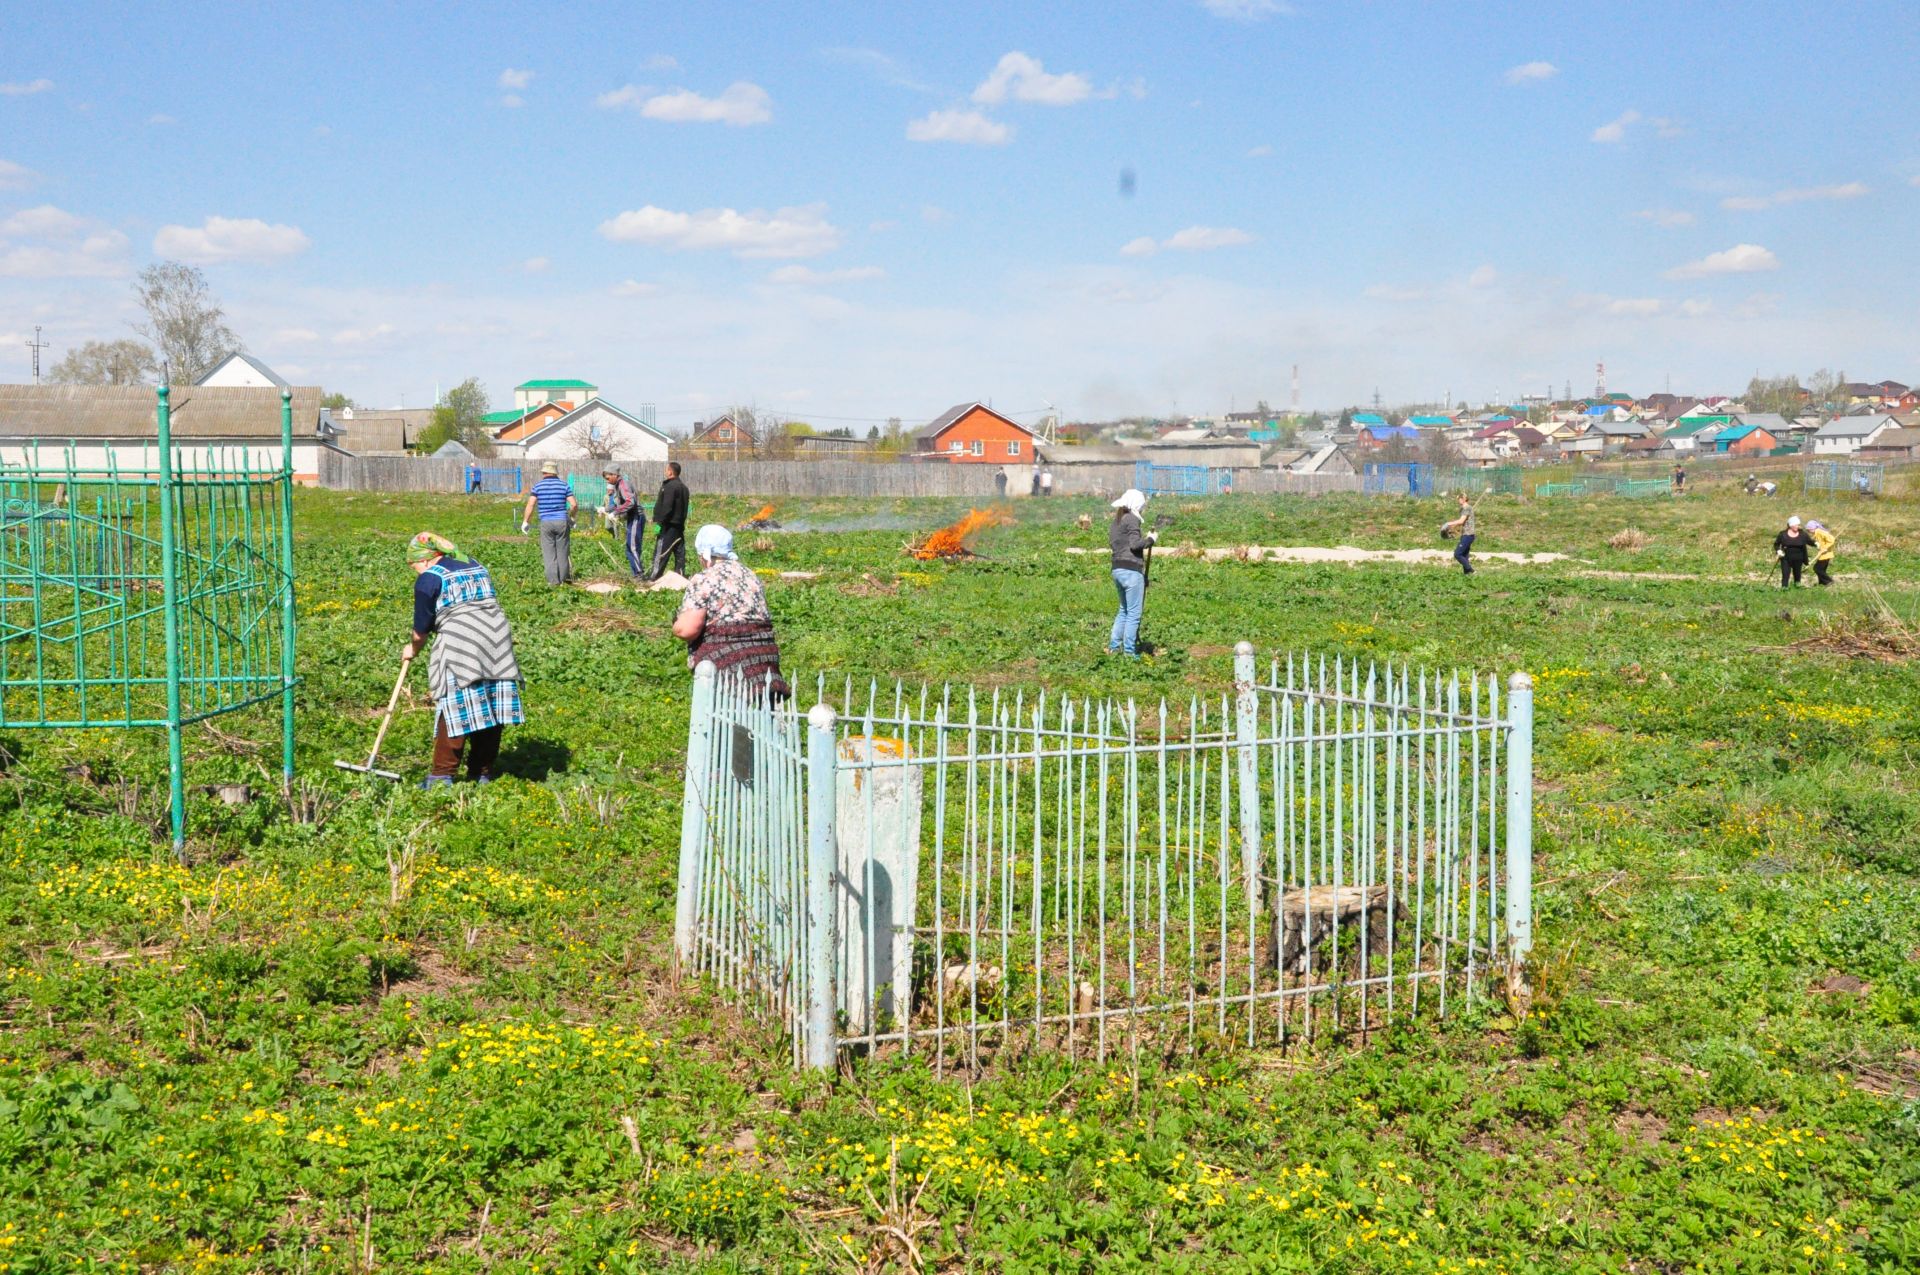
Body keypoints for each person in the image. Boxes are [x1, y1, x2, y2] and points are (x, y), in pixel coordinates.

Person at [404, 532, 523, 787]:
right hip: (496, 639)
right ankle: (481, 773)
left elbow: (421, 629)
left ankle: (441, 776)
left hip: (461, 643)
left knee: (454, 706)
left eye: (413, 566)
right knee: (491, 704)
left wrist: (412, 650)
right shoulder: (473, 563)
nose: (414, 572)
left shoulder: (429, 579)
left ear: (425, 560)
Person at [672, 525, 788, 699]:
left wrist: (676, 624)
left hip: (727, 662)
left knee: (723, 716)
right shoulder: (750, 575)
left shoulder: (705, 579)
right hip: (764, 659)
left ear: (705, 554)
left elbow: (687, 630)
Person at [1107, 488, 1155, 657]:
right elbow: (1135, 545)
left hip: (1117, 569)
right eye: (1141, 507)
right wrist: (1150, 540)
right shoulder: (1132, 519)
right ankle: (1129, 652)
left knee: (1124, 610)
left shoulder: (1117, 521)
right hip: (1131, 571)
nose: (1142, 510)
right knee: (1134, 613)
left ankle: (1113, 648)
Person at [520, 461, 576, 585]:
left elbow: (531, 504)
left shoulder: (538, 486)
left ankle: (553, 582)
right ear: (555, 472)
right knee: (563, 551)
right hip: (562, 521)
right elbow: (574, 504)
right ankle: (564, 580)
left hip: (546, 522)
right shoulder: (564, 485)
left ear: (544, 472)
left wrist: (525, 521)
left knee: (549, 552)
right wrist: (571, 518)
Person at [649, 462, 689, 580]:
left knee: (661, 552)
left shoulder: (669, 486)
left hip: (668, 525)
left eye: (667, 470)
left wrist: (660, 523)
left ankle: (654, 577)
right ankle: (680, 576)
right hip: (679, 525)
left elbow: (667, 506)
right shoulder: (684, 488)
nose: (665, 472)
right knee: (679, 552)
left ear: (670, 472)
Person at [603, 466, 646, 579]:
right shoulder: (618, 486)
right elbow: (619, 504)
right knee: (629, 547)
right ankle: (636, 573)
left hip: (636, 516)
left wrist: (616, 512)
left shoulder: (623, 485)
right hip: (632, 517)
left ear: (614, 475)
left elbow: (630, 502)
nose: (607, 481)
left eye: (608, 478)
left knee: (632, 547)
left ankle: (639, 574)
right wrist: (606, 509)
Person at [1442, 493, 1476, 575]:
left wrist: (1448, 523)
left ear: (1463, 499)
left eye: (1459, 499)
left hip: (1468, 534)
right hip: (1466, 534)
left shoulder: (1467, 508)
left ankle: (1471, 570)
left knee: (1457, 554)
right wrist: (1451, 527)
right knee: (1464, 555)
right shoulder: (1464, 509)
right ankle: (1467, 574)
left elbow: (1461, 521)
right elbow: (1461, 522)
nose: (1458, 501)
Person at [1774, 515, 1811, 588]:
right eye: (1796, 525)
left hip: (1799, 558)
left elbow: (1810, 541)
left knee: (1797, 574)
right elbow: (1776, 544)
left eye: (1798, 525)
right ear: (1791, 525)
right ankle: (1784, 588)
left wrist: (1816, 544)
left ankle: (1797, 587)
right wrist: (1778, 550)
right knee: (1785, 574)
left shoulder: (1802, 534)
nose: (1798, 526)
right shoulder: (1783, 534)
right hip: (1786, 558)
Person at [1807, 519, 1837, 586]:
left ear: (1811, 528)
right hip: (1823, 554)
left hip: (1826, 554)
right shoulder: (1817, 533)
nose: (1808, 531)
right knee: (1821, 570)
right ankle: (1822, 583)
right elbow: (1817, 540)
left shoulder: (1820, 532)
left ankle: (1829, 581)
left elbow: (1832, 539)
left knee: (1817, 568)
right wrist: (1817, 544)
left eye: (1808, 529)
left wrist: (1825, 547)